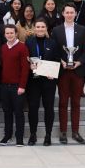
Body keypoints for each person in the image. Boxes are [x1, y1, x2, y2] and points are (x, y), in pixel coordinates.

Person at [52, 2, 85, 145]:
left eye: (71, 12)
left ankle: (75, 131)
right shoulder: (56, 30)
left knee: (76, 102)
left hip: (77, 70)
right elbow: (54, 49)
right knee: (62, 102)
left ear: (75, 14)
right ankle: (63, 132)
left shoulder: (82, 29)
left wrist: (79, 62)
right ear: (63, 14)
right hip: (63, 71)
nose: (69, 15)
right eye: (66, 12)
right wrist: (61, 61)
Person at [25, 18, 58, 146]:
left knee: (49, 108)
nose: (40, 29)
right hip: (33, 81)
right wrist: (29, 66)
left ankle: (48, 135)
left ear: (46, 28)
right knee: (33, 108)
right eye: (37, 27)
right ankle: (33, 135)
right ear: (34, 29)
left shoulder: (52, 43)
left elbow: (56, 60)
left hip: (48, 81)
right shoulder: (28, 43)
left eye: (42, 27)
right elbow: (25, 60)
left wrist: (53, 73)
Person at [0, 24, 29, 147]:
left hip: (18, 86)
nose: (9, 35)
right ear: (4, 34)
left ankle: (19, 137)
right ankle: (7, 135)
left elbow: (25, 68)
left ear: (16, 33)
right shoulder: (3, 48)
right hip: (5, 86)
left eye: (12, 33)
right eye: (7, 33)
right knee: (7, 112)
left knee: (18, 112)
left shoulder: (22, 47)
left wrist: (22, 86)